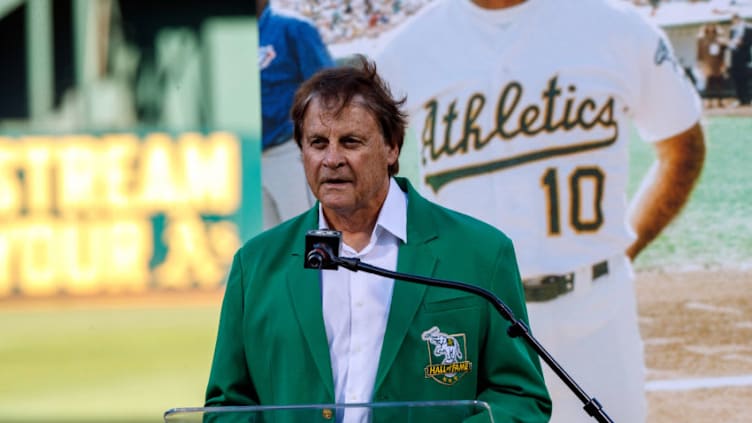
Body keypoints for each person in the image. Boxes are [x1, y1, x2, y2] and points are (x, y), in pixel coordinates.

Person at [371, 0, 706, 422]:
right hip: (469, 317)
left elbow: (682, 145)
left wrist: (624, 250)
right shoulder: (402, 51)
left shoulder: (617, 27)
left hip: (596, 311)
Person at [204, 58, 552, 422]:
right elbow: (226, 407)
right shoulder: (257, 263)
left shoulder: (481, 253)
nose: (332, 159)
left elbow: (520, 398)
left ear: (392, 148)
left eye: (351, 142)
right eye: (317, 143)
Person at [257, 0, 335, 229]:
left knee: (308, 235)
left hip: (288, 150)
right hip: (253, 156)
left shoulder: (293, 29)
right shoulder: (231, 37)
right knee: (270, 245)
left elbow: (328, 89)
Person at [697, 23, 728, 108]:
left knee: (719, 83)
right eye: (709, 26)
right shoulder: (702, 39)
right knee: (709, 84)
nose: (711, 28)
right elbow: (699, 53)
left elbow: (724, 51)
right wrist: (701, 65)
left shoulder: (719, 39)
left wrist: (722, 35)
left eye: (712, 26)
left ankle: (720, 101)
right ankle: (709, 102)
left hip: (718, 64)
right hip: (708, 64)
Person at [727, 13, 752, 106]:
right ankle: (740, 99)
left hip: (746, 59)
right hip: (735, 59)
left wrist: (741, 43)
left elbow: (749, 42)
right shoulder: (732, 30)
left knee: (747, 80)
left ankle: (748, 99)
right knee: (738, 79)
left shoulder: (749, 28)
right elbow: (731, 43)